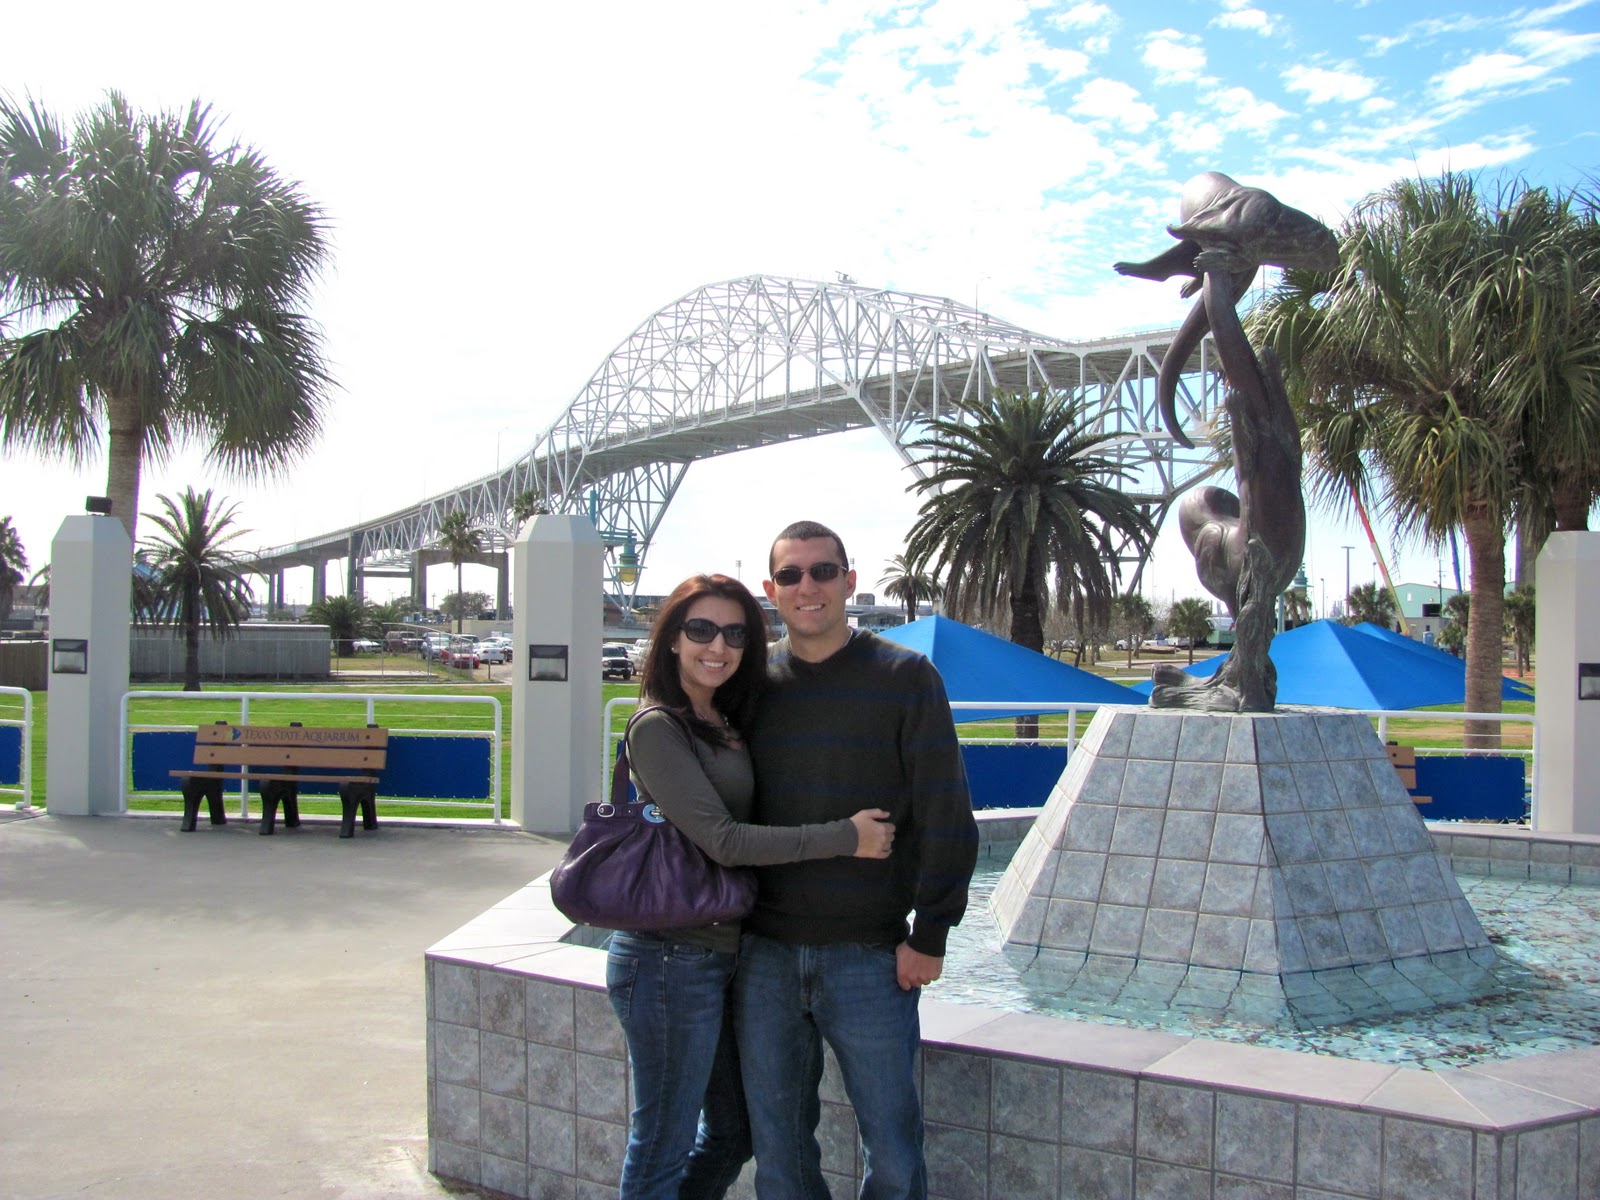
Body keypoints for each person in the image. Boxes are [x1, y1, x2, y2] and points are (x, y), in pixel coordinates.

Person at [606, 572, 897, 1199]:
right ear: (673, 639)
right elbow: (726, 841)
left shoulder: (722, 716)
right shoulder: (659, 726)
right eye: (702, 629)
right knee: (661, 1139)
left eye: (735, 632)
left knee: (736, 1133)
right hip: (666, 957)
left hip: (719, 955)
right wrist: (843, 837)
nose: (719, 645)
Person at [734, 521, 978, 1200]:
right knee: (780, 1159)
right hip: (764, 958)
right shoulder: (751, 687)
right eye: (791, 575)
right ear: (770, 591)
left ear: (849, 580)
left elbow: (945, 813)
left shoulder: (906, 679)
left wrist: (929, 934)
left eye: (822, 571)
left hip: (871, 958)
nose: (807, 587)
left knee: (894, 1157)